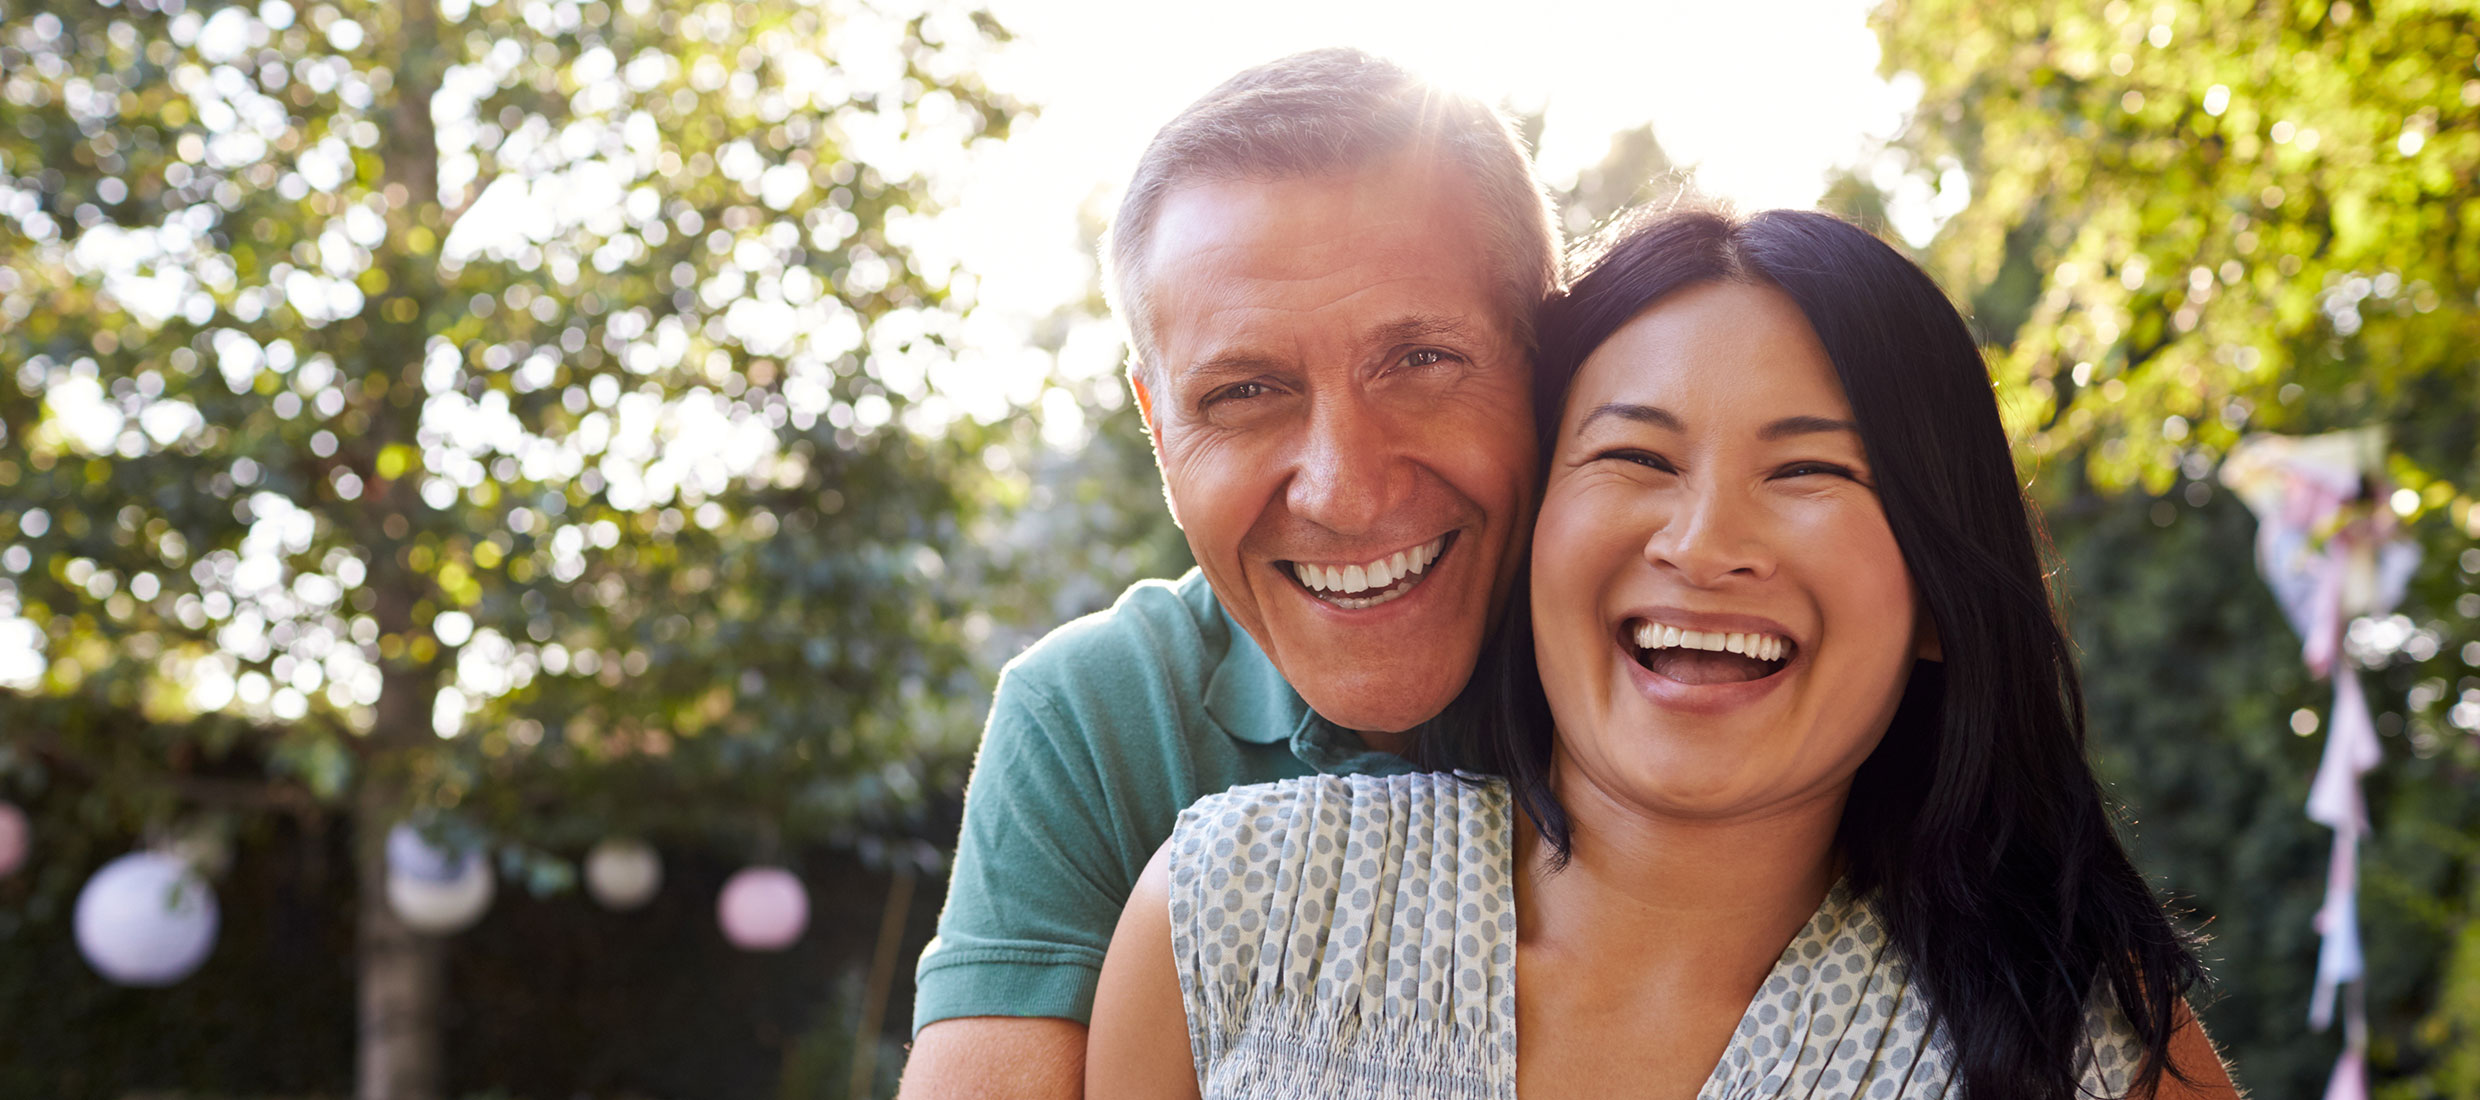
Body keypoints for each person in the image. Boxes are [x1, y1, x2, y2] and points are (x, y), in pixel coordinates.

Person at [1085, 207, 2240, 1098]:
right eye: (1635, 458)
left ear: (1938, 591)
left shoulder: (2078, 1046)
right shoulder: (1236, 907)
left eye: (1807, 472)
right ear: (1535, 534)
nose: (1702, 544)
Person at [897, 50, 1560, 1096]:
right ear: (1158, 431)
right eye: (1245, 389)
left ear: (1547, 361)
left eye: (1419, 360)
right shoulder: (1094, 717)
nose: (1342, 491)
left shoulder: (1692, 667)